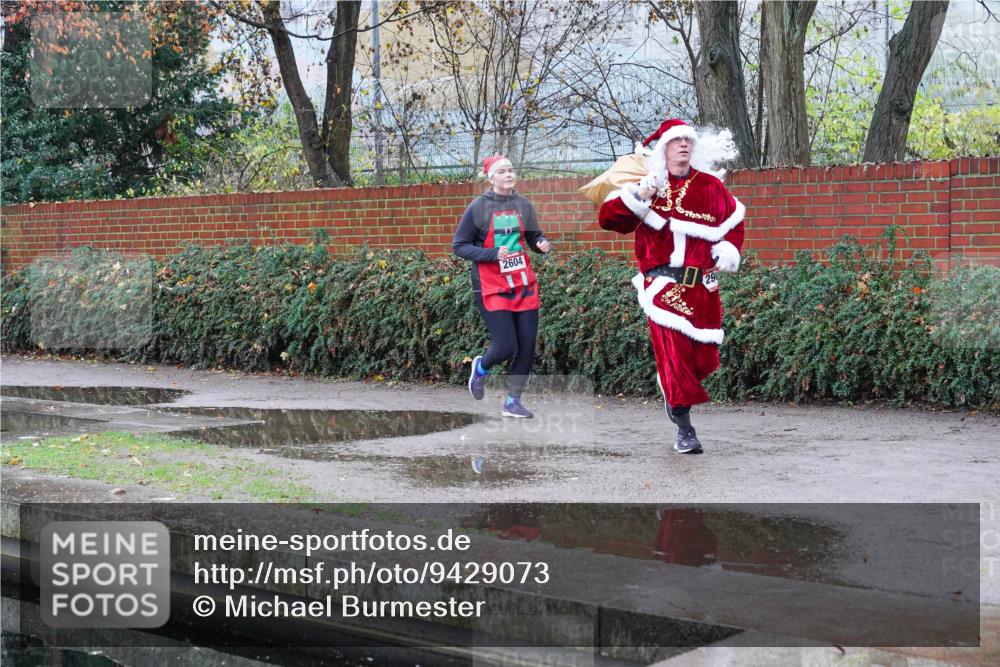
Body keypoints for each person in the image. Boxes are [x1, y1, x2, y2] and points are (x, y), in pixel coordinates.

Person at [598, 119, 746, 454]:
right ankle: (684, 427)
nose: (683, 145)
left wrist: (729, 249)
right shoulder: (647, 183)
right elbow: (610, 220)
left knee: (703, 361)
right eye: (676, 140)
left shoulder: (709, 186)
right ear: (664, 146)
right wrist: (639, 196)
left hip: (702, 288)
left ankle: (671, 388)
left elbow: (734, 223)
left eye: (687, 140)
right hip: (662, 285)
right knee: (675, 355)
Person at [452, 155, 551, 418]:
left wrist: (540, 244)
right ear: (491, 178)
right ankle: (481, 368)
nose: (509, 174)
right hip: (491, 284)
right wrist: (493, 254)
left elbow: (532, 236)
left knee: (527, 345)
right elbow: (459, 246)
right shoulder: (478, 207)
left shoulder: (523, 204)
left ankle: (512, 402)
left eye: (511, 170)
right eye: (503, 171)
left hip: (523, 281)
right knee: (506, 345)